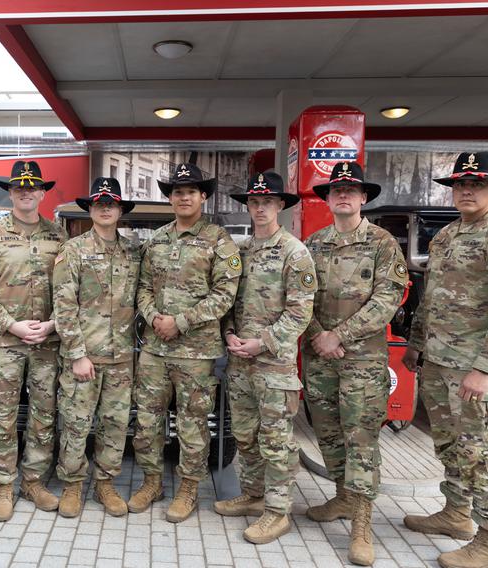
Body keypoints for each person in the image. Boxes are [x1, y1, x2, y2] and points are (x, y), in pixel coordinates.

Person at [402, 152, 488, 568]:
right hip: (440, 361)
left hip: (476, 368)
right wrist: (415, 343)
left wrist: (485, 369)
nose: (467, 190)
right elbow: (432, 298)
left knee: (484, 452)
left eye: (477, 183)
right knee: (450, 445)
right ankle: (456, 513)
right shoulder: (447, 236)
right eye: (460, 183)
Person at [302, 162, 408, 566]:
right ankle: (343, 498)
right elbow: (300, 298)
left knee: (360, 439)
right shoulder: (313, 245)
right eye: (336, 189)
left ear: (363, 198)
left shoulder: (383, 244)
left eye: (352, 189)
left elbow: (388, 299)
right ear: (328, 199)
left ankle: (362, 524)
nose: (343, 194)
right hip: (320, 357)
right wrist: (318, 335)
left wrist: (338, 336)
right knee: (327, 433)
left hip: (361, 360)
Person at [128, 162, 241, 523]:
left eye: (191, 191)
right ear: (170, 198)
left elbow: (226, 294)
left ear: (203, 196)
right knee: (147, 420)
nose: (183, 197)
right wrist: (153, 318)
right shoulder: (157, 239)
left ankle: (188, 489)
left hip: (197, 352)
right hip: (154, 348)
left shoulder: (219, 240)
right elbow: (142, 287)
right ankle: (151, 482)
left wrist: (181, 322)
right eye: (177, 191)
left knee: (192, 423)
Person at [214, 171, 316, 544]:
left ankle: (277, 511)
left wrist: (263, 342)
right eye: (254, 202)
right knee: (245, 434)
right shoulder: (240, 250)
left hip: (273, 364)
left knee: (276, 439)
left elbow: (301, 312)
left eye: (267, 202)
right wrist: (228, 333)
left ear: (280, 206)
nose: (259, 208)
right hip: (241, 361)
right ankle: (255, 495)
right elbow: (227, 302)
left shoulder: (295, 252)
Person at [0, 160, 67, 522]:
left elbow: (69, 291)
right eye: (19, 187)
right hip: (4, 344)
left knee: (43, 414)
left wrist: (54, 324)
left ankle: (34, 481)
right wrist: (13, 326)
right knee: (3, 417)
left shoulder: (58, 237)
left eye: (33, 187)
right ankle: (4, 485)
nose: (26, 192)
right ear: (10, 192)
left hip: (46, 344)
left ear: (42, 193)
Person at [53, 177, 140, 518]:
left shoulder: (133, 251)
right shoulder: (73, 250)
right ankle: (73, 484)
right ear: (90, 209)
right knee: (76, 422)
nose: (105, 208)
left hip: (121, 358)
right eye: (99, 203)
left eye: (112, 203)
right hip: (83, 358)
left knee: (115, 424)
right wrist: (76, 354)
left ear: (120, 210)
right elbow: (64, 305)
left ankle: (105, 484)